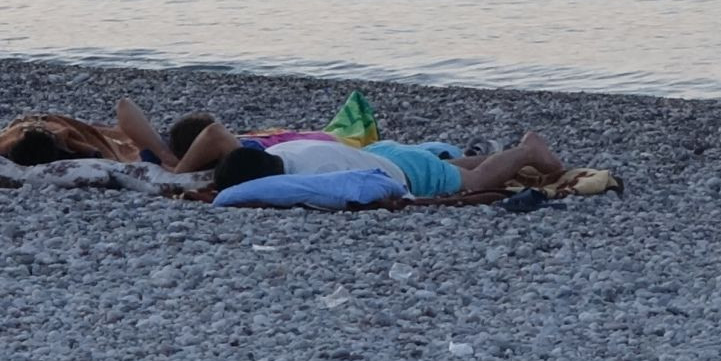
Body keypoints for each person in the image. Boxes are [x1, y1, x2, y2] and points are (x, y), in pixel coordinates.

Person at [213, 132, 565, 197]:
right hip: (386, 152)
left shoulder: (311, 176)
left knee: (473, 181)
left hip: (407, 173)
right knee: (448, 165)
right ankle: (509, 157)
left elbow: (361, 188)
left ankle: (526, 151)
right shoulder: (288, 151)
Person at [116, 97, 338, 173]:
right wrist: (166, 156)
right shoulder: (235, 157)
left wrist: (172, 162)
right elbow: (124, 106)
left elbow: (216, 133)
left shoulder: (240, 157)